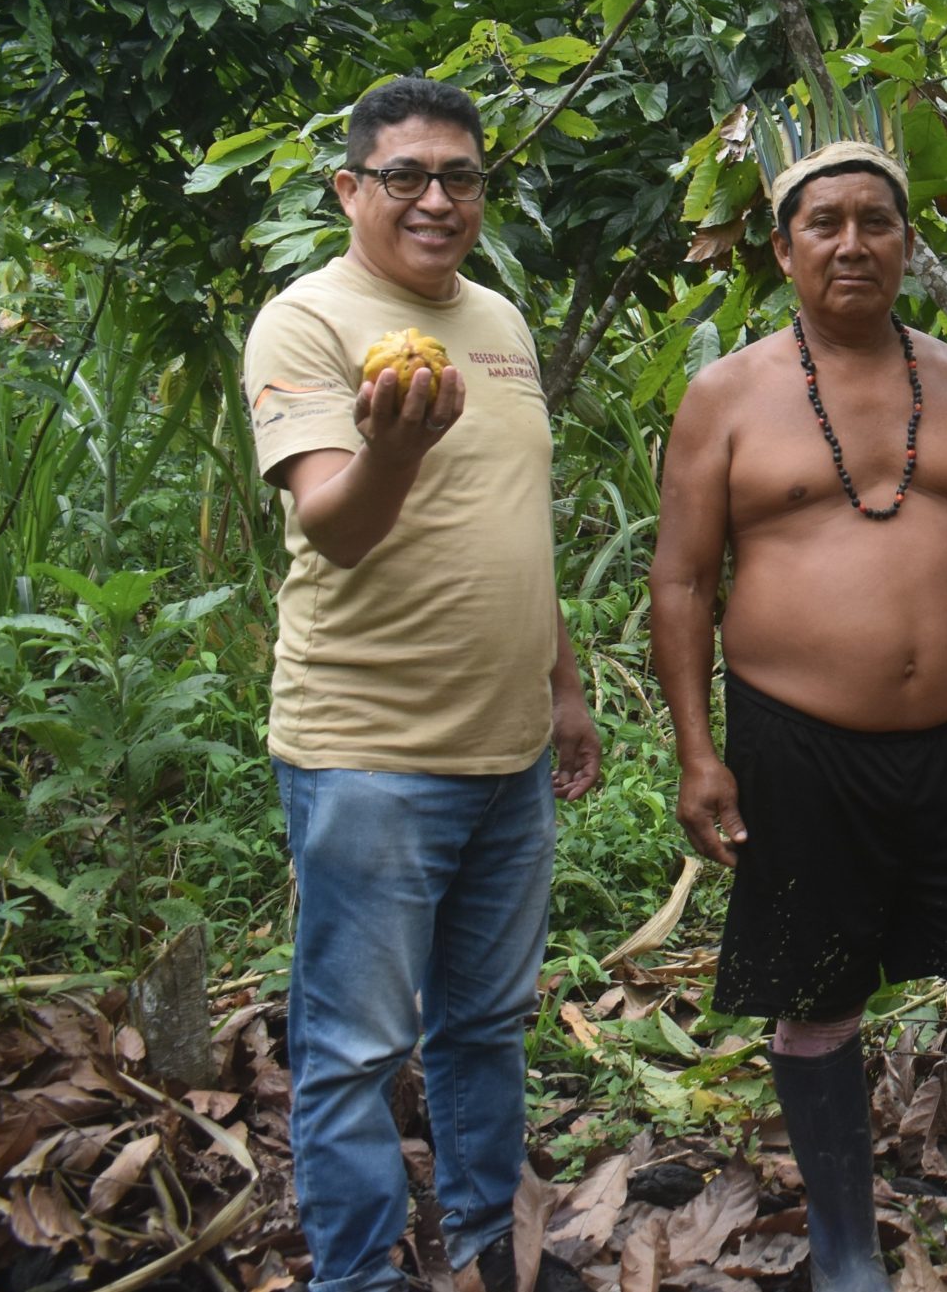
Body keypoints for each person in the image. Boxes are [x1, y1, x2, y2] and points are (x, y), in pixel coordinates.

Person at [648, 139, 947, 1292]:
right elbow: (683, 582)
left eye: (876, 222)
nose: (852, 243)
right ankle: (848, 1249)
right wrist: (697, 753)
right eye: (825, 223)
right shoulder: (729, 393)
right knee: (819, 987)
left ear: (907, 242)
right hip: (795, 741)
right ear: (783, 245)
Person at [241, 76, 602, 1292]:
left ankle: (493, 1242)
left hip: (506, 750)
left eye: (460, 177)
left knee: (484, 1024)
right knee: (351, 1047)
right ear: (351, 188)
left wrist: (562, 681)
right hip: (370, 749)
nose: (436, 200)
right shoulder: (308, 321)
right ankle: (360, 1275)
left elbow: (515, 520)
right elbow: (338, 530)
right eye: (405, 177)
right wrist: (394, 444)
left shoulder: (497, 317)